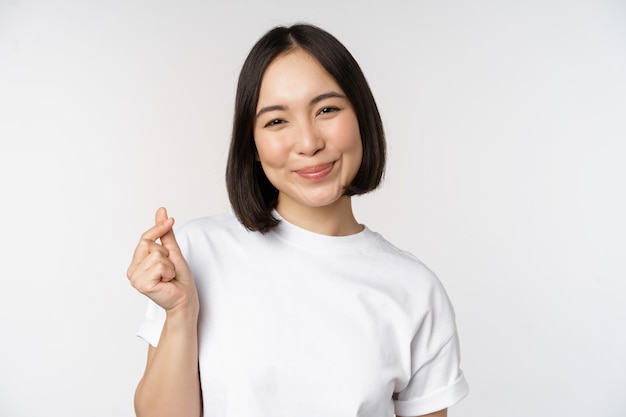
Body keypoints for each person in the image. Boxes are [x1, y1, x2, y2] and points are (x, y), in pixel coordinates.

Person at [127, 23, 468, 417]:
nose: (309, 143)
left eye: (327, 110)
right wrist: (181, 312)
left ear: (361, 117)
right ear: (251, 145)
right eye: (276, 121)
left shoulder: (415, 290)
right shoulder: (198, 252)